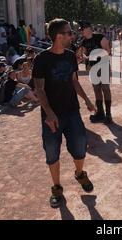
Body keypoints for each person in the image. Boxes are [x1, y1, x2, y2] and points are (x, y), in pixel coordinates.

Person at [33, 18, 96, 209]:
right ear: (59, 36)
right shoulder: (41, 59)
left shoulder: (69, 56)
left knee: (79, 146)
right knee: (52, 153)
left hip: (72, 111)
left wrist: (86, 99)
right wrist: (49, 113)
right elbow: (39, 89)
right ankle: (57, 188)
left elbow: (74, 81)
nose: (72, 35)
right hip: (51, 116)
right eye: (69, 33)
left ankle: (79, 173)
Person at [77, 21, 113, 124]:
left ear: (88, 28)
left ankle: (108, 114)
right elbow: (82, 54)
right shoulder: (83, 42)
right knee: (97, 90)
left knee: (105, 89)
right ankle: (100, 113)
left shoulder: (100, 37)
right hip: (92, 68)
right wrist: (84, 57)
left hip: (103, 66)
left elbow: (107, 51)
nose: (81, 32)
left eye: (82, 29)